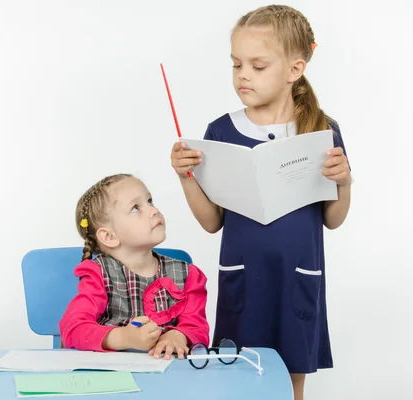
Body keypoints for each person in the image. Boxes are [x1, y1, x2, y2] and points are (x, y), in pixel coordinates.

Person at [169, 5, 351, 399]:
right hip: (243, 280)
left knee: (289, 383)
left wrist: (345, 181)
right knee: (239, 378)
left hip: (298, 276)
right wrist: (186, 178)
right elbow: (212, 221)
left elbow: (333, 219)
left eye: (258, 65)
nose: (243, 75)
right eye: (236, 65)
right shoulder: (220, 131)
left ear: (294, 69)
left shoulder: (322, 130)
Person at [59, 173, 210, 360]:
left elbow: (198, 328)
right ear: (109, 236)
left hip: (170, 376)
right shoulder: (98, 273)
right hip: (109, 375)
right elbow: (73, 328)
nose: (153, 210)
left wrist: (179, 335)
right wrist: (124, 337)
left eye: (150, 201)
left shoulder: (188, 275)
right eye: (135, 208)